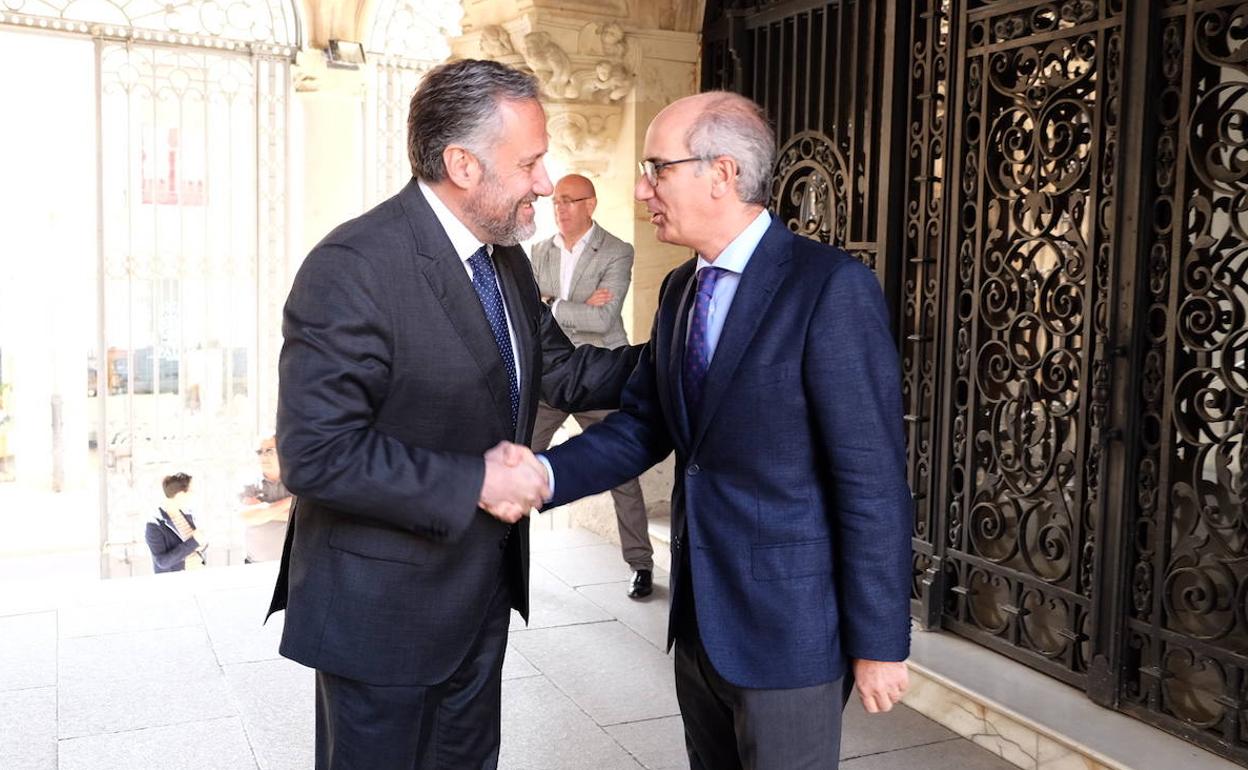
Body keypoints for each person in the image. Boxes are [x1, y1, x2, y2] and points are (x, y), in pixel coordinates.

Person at [508, 91, 913, 769]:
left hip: (791, 635)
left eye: (656, 168)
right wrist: (542, 477)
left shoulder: (829, 289)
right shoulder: (680, 290)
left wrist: (880, 642)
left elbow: (871, 481)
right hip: (699, 627)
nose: (641, 190)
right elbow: (645, 427)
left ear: (721, 174)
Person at [266, 59, 641, 769]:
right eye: (529, 162)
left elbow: (561, 369)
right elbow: (316, 453)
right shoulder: (354, 266)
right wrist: (475, 480)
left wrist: (690, 354)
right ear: (462, 164)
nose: (543, 180)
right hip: (380, 616)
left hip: (478, 602)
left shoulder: (505, 260)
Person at [530, 173, 654, 599]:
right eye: (556, 201)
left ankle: (640, 563)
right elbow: (531, 315)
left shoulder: (618, 250)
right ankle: (495, 560)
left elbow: (602, 320)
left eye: (569, 200)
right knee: (519, 461)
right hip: (550, 377)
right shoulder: (539, 251)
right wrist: (561, 307)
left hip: (600, 375)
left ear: (591, 204)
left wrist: (552, 305)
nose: (559, 207)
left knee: (622, 471)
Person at [238, 434, 291, 563]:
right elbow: (247, 516)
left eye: (269, 450)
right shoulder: (248, 483)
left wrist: (263, 511)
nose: (263, 456)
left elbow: (303, 516)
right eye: (259, 451)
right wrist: (291, 501)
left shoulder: (295, 483)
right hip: (256, 565)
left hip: (292, 565)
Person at [146, 472, 208, 573]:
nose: (194, 494)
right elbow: (162, 562)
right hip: (176, 583)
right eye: (191, 491)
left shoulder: (188, 514)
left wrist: (202, 544)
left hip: (198, 573)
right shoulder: (154, 525)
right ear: (180, 494)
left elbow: (197, 543)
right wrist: (194, 541)